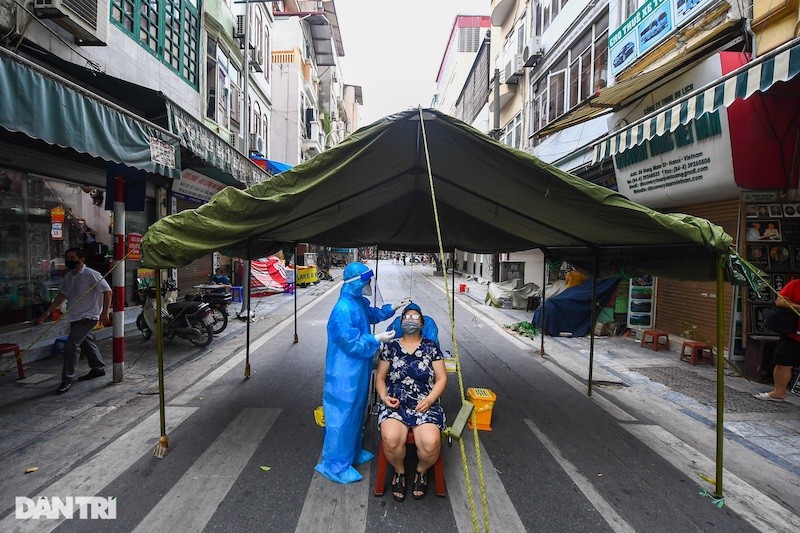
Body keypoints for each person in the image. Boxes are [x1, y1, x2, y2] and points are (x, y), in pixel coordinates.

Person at [315, 262, 411, 484]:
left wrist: (393, 307)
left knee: (357, 409)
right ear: (356, 282)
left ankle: (352, 451)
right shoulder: (342, 310)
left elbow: (372, 314)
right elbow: (352, 344)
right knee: (342, 414)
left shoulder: (356, 302)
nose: (368, 285)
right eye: (365, 281)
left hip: (358, 370)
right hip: (343, 373)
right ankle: (335, 465)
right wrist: (376, 339)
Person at [376, 304, 447, 501]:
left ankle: (421, 470)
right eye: (406, 316)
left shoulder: (431, 347)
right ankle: (399, 471)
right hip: (395, 403)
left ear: (422, 324)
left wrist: (431, 399)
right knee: (390, 439)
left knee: (431, 443)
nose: (410, 320)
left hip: (425, 403)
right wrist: (383, 397)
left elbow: (441, 379)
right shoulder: (390, 347)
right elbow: (380, 378)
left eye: (415, 317)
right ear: (401, 322)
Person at [38, 248, 112, 395]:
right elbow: (61, 295)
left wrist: (104, 312)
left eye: (72, 258)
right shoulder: (69, 276)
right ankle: (98, 368)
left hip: (89, 316)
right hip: (75, 316)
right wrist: (47, 312)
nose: (69, 261)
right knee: (86, 341)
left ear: (82, 260)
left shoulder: (91, 274)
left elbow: (107, 291)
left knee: (71, 345)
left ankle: (67, 379)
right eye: (67, 258)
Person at [756, 279, 800, 401]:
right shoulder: (795, 284)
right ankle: (779, 392)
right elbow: (780, 300)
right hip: (793, 333)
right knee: (783, 363)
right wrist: (797, 307)